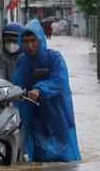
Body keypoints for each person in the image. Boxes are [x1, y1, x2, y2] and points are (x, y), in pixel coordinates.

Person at [12, 19, 81, 163]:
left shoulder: (54, 57)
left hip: (55, 110)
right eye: (25, 41)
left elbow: (59, 81)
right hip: (31, 111)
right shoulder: (22, 61)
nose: (29, 45)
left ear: (40, 39)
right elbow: (17, 83)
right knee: (36, 151)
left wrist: (39, 89)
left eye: (33, 40)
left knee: (63, 153)